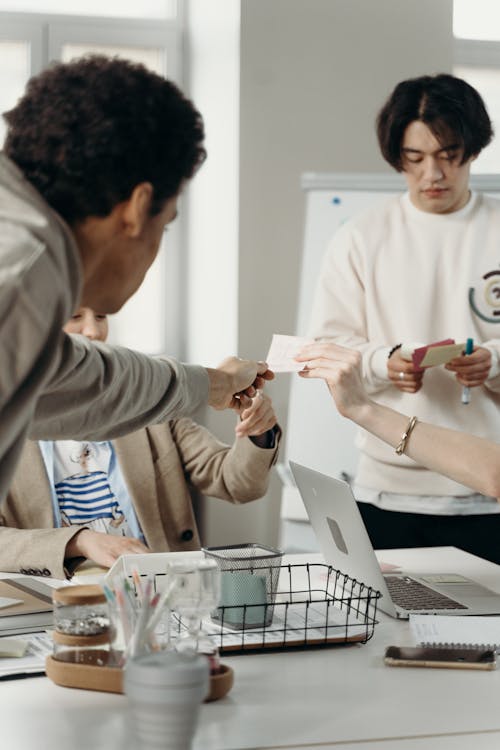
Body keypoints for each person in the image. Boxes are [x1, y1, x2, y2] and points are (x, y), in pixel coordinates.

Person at [0, 55, 272, 507]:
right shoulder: (22, 273)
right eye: (165, 224)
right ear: (137, 207)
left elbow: (85, 382)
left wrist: (215, 384)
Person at [307, 73, 500, 562]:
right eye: (415, 159)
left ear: (473, 149)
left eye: (447, 155)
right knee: (392, 636)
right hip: (387, 492)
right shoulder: (361, 237)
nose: (432, 173)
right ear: (398, 158)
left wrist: (493, 362)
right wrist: (381, 362)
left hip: (489, 490)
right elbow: (327, 344)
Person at [0, 307, 280, 579]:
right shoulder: (8, 421)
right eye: (75, 316)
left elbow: (238, 484)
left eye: (101, 316)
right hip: (56, 602)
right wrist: (79, 541)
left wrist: (256, 430)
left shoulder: (150, 403)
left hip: (160, 593)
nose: (94, 330)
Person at [296, 342, 500, 562]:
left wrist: (364, 409)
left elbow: (495, 476)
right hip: (382, 496)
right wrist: (378, 368)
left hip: (480, 507)